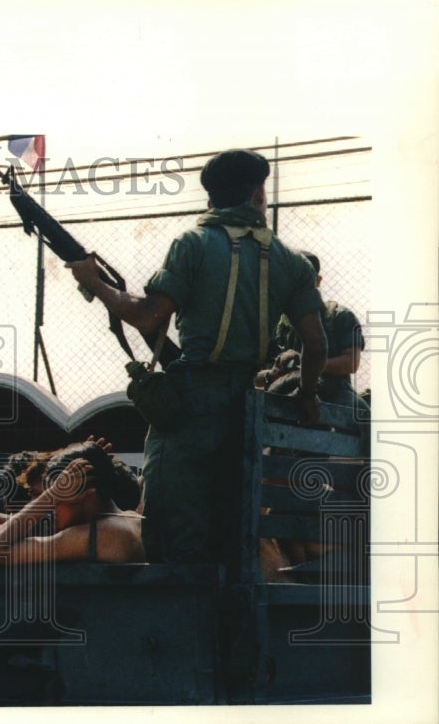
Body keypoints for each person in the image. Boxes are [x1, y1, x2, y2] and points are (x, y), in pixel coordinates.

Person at [67, 148, 327, 567]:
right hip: (246, 409)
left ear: (211, 200)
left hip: (191, 406)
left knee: (172, 531)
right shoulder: (290, 262)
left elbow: (148, 316)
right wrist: (308, 395)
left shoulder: (192, 243)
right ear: (258, 194)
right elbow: (316, 344)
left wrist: (93, 280)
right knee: (231, 530)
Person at [0, 442, 145, 564]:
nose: (52, 508)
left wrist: (51, 495)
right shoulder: (134, 520)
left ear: (87, 492)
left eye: (60, 496)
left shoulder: (97, 534)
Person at [256, 251, 368, 421]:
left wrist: (305, 364)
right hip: (283, 391)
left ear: (318, 281)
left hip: (333, 391)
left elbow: (350, 362)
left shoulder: (338, 316)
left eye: (304, 279)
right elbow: (255, 377)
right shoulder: (275, 324)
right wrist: (273, 373)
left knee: (364, 417)